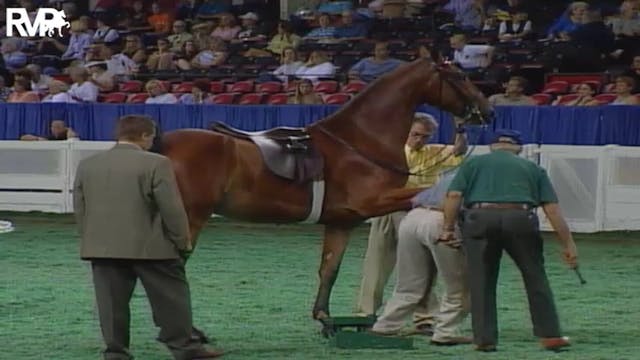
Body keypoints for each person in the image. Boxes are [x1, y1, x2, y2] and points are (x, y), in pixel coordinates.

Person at [73, 115, 223, 359]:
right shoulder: (157, 163)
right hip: (153, 246)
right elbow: (171, 208)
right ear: (143, 136)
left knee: (111, 305)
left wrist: (90, 237)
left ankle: (115, 352)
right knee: (172, 300)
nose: (152, 141)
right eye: (151, 137)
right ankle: (184, 347)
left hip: (102, 246)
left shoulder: (89, 164)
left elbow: (80, 206)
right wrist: (181, 240)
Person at [440, 129, 579, 352]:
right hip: (520, 218)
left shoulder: (473, 164)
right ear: (518, 148)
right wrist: (568, 244)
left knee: (481, 279)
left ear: (493, 146)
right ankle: (550, 335)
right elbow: (552, 209)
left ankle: (484, 339)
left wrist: (447, 228)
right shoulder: (534, 169)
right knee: (534, 276)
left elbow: (454, 196)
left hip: (479, 218)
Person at [355, 113, 467, 334]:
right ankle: (366, 313)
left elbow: (459, 151)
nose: (420, 140)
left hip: (417, 212)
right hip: (390, 209)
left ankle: (424, 317)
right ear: (404, 132)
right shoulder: (388, 153)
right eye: (415, 135)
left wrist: (461, 130)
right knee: (377, 262)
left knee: (423, 268)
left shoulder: (434, 152)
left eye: (425, 136)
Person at [370, 169, 471, 345]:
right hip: (442, 220)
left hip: (413, 218)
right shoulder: (484, 177)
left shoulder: (455, 173)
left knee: (409, 284)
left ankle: (386, 325)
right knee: (459, 286)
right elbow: (457, 201)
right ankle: (446, 331)